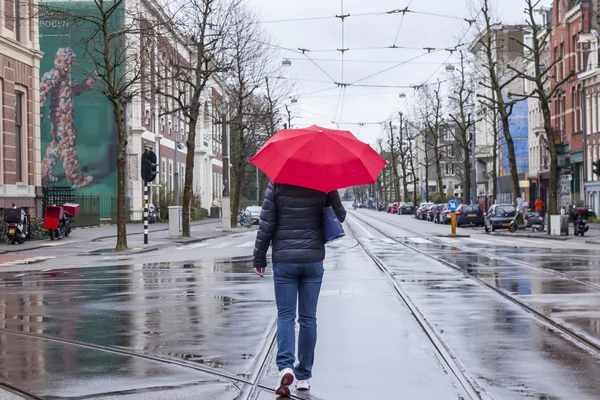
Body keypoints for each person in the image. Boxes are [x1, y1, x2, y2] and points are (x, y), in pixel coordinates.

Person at [253, 182, 346, 397]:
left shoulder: (276, 184)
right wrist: (330, 189)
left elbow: (266, 224)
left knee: (286, 315)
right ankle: (303, 376)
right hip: (312, 259)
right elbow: (339, 216)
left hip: (284, 260)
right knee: (308, 318)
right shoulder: (322, 183)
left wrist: (259, 258)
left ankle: (286, 367)